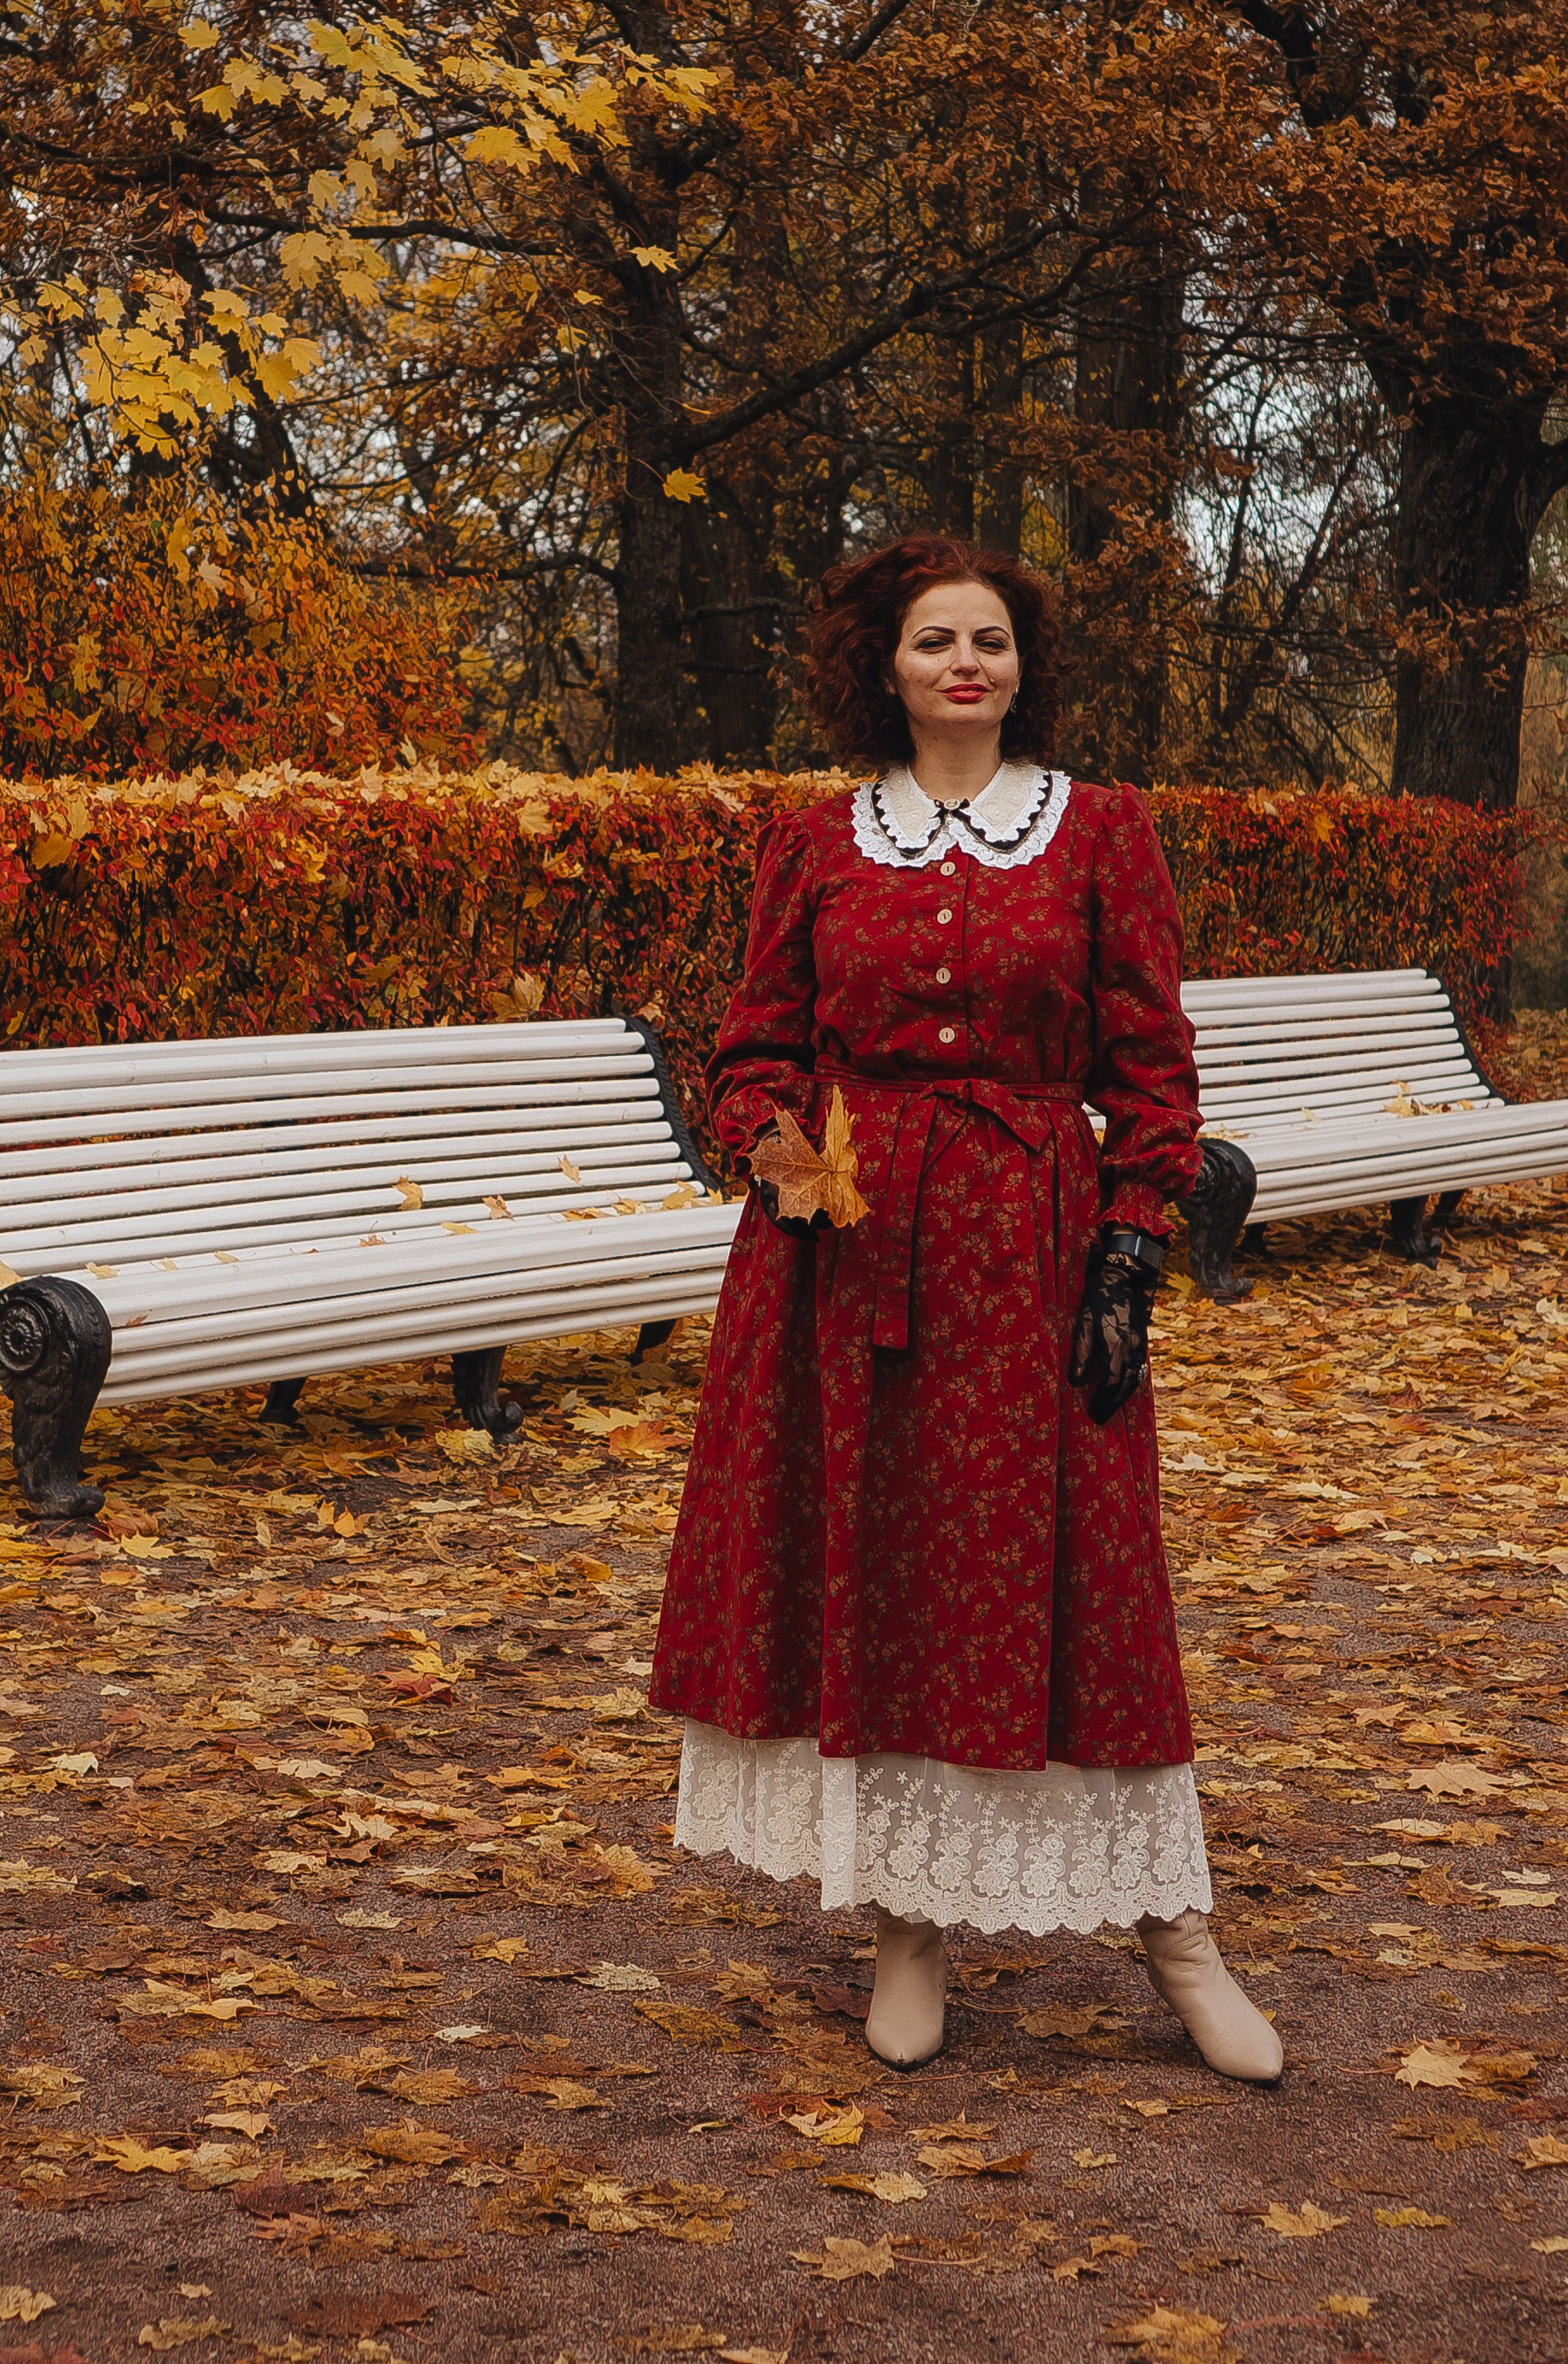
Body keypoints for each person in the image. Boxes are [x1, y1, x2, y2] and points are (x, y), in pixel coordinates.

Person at [648, 529, 1281, 2083]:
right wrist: (780, 1152)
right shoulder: (816, 842)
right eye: (935, 639)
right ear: (886, 665)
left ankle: (1178, 1937)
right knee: (885, 1573)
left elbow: (1153, 1069)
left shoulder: (1099, 830)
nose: (964, 663)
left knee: (1085, 1585)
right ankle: (910, 1929)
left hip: (1033, 1248)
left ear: (1022, 666)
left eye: (988, 639)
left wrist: (1129, 1250)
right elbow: (754, 1049)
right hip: (848, 1259)